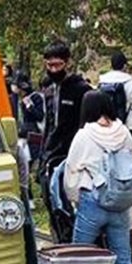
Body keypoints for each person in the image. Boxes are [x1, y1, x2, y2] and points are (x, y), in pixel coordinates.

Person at [63, 91, 132, 264]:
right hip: (119, 203)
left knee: (80, 255)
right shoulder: (124, 132)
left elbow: (72, 170)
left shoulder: (84, 135)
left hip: (92, 201)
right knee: (123, 260)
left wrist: (74, 198)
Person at [37, 40, 92, 243]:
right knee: (52, 204)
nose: (53, 69)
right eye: (49, 65)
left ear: (67, 63)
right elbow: (48, 124)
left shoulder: (81, 89)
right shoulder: (46, 87)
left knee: (69, 206)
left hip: (72, 157)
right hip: (49, 156)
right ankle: (60, 243)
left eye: (57, 65)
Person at [99, 51, 132, 149]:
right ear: (124, 66)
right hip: (127, 127)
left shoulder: (102, 83)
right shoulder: (130, 83)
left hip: (107, 128)